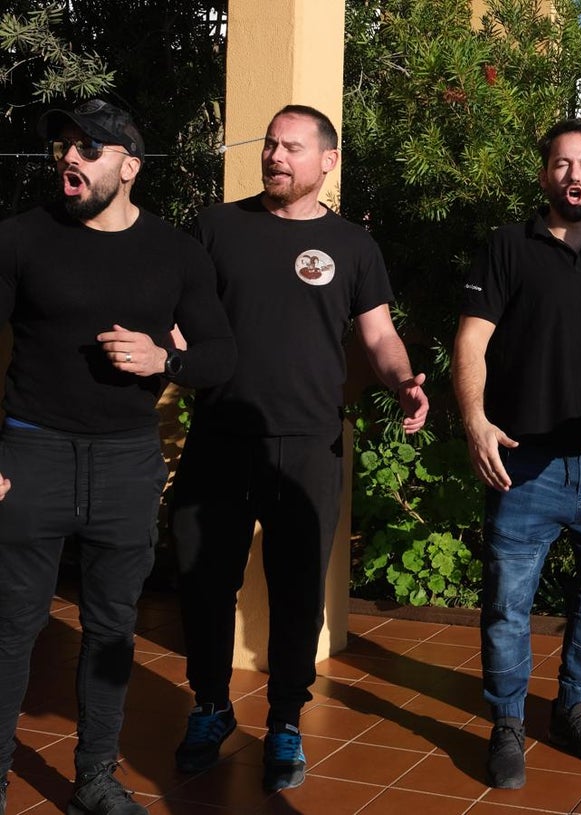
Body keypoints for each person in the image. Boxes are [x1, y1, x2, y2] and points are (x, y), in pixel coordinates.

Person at [168, 104, 429, 793]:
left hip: (309, 443)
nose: (276, 156)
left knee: (296, 590)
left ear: (327, 162)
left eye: (292, 147)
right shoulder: (218, 227)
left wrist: (403, 381)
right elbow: (177, 316)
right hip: (219, 437)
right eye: (272, 145)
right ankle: (210, 706)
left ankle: (285, 719)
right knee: (201, 580)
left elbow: (377, 334)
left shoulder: (352, 246)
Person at [0, 99, 236, 815]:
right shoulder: (19, 238)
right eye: (65, 146)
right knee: (10, 626)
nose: (71, 157)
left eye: (90, 147)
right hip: (30, 452)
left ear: (129, 167)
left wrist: (163, 357)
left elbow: (221, 356)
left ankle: (95, 776)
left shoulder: (177, 253)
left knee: (110, 629)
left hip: (127, 464)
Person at [451, 117, 581, 789]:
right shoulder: (509, 247)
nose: (573, 175)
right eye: (561, 164)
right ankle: (507, 723)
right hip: (522, 463)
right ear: (545, 175)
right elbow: (473, 340)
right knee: (508, 604)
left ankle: (574, 709)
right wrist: (475, 421)